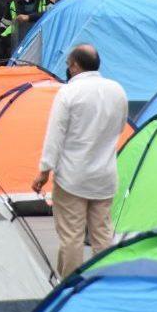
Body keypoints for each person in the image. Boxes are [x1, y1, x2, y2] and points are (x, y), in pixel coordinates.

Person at [34, 44, 129, 274]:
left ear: (75, 66)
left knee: (71, 237)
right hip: (104, 176)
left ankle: (70, 285)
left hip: (72, 178)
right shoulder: (117, 91)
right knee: (102, 235)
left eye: (68, 65)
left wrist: (44, 171)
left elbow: (55, 135)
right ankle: (103, 282)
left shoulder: (68, 93)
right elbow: (119, 127)